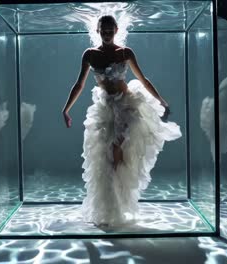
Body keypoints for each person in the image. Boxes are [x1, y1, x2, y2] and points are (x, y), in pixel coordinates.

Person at [61, 15, 182, 227]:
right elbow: (78, 84)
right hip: (105, 108)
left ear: (116, 30)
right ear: (97, 31)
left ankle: (119, 201)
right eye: (103, 30)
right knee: (104, 156)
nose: (107, 33)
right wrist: (66, 109)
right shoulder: (90, 54)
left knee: (118, 152)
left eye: (110, 30)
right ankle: (110, 205)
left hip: (126, 106)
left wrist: (161, 100)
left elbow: (143, 79)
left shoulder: (125, 52)